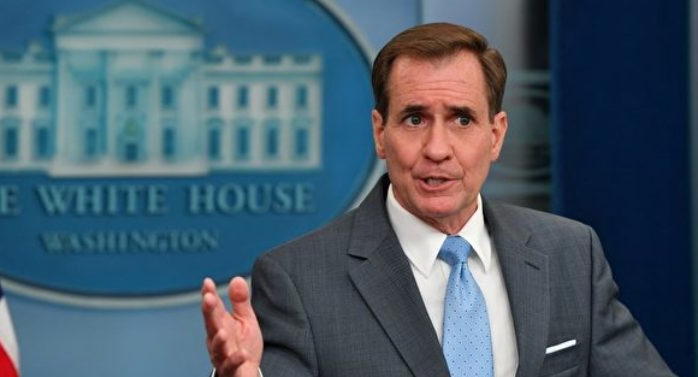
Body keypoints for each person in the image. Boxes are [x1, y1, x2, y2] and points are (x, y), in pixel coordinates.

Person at [201, 23, 674, 377]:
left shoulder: (570, 253)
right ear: (379, 133)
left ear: (496, 135)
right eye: (414, 119)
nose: (437, 148)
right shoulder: (298, 280)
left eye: (462, 120)